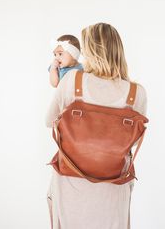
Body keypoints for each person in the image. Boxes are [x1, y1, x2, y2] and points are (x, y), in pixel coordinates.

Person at [45, 22, 147, 229]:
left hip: (70, 183)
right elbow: (132, 143)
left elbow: (49, 120)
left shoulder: (73, 79)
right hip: (113, 189)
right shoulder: (136, 93)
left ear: (90, 51)